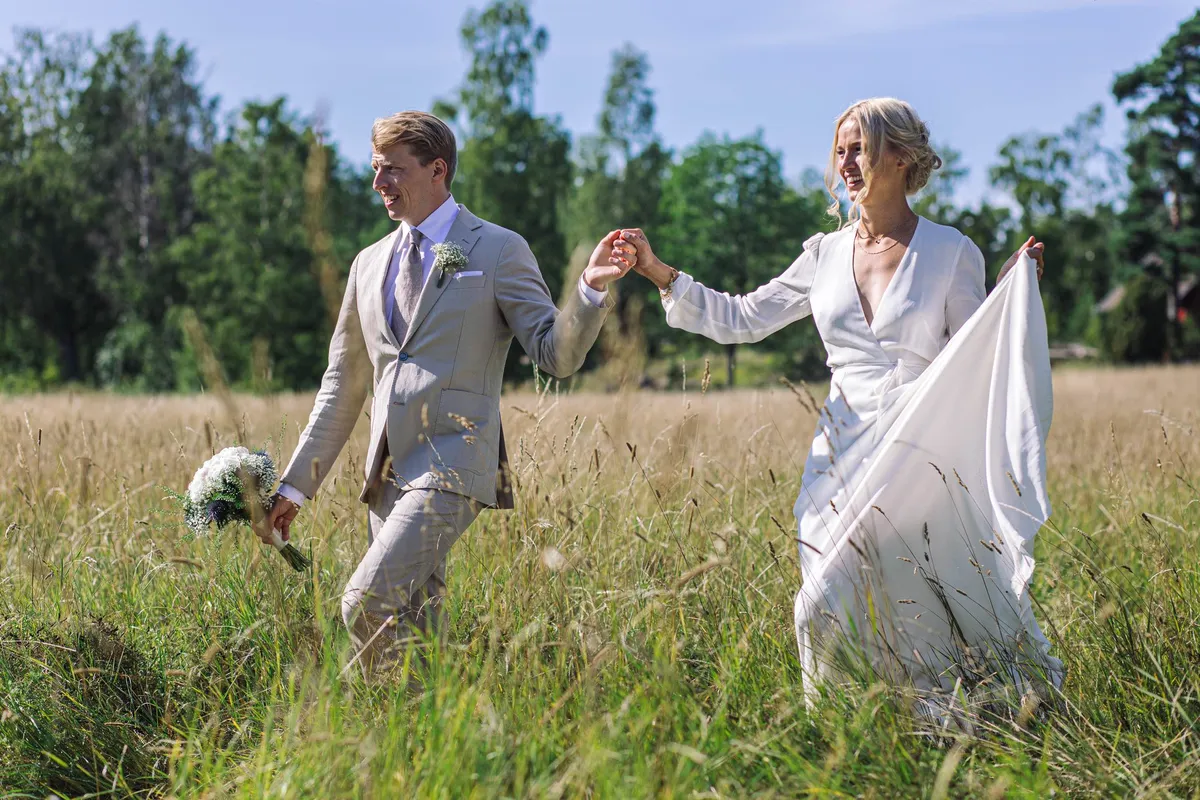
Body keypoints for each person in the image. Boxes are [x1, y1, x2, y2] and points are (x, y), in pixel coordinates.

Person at [620, 97, 1061, 724]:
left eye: (860, 148)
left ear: (901, 157)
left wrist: (1006, 297)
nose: (846, 162)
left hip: (920, 446)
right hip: (841, 450)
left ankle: (981, 717)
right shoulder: (824, 254)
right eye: (841, 149)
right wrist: (661, 274)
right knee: (821, 600)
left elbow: (970, 355)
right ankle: (842, 731)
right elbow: (745, 317)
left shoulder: (951, 251)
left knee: (930, 597)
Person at [259, 110, 636, 680]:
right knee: (408, 634)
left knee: (361, 603)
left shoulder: (498, 250)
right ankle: (407, 748)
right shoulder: (366, 266)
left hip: (454, 464)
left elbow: (555, 354)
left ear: (437, 170)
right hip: (386, 473)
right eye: (375, 169)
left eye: (392, 170)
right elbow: (343, 387)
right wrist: (294, 485)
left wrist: (588, 289)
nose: (379, 183)